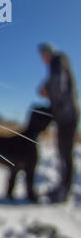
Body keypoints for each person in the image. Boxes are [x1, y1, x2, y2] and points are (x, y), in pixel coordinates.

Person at [38, 43, 79, 203]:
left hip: (67, 115)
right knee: (63, 153)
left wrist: (49, 93)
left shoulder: (57, 60)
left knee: (65, 153)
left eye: (43, 56)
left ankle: (64, 191)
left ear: (46, 53)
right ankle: (63, 187)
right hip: (66, 114)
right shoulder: (59, 63)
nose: (43, 60)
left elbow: (57, 84)